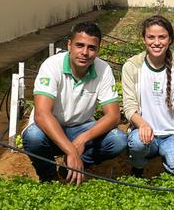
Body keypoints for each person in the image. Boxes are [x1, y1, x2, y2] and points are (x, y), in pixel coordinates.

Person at [22, 21, 126, 184]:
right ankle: (49, 179)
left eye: (91, 47)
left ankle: (71, 166)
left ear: (98, 50)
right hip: (51, 128)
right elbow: (42, 115)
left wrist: (81, 140)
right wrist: (71, 150)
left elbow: (113, 116)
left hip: (81, 128)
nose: (85, 52)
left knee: (117, 139)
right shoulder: (52, 65)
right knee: (33, 136)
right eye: (79, 45)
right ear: (69, 45)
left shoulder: (103, 69)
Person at [122, 15, 174, 176]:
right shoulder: (132, 67)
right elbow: (129, 106)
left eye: (162, 37)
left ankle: (168, 163)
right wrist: (143, 125)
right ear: (144, 39)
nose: (156, 42)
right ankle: (138, 167)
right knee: (137, 143)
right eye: (151, 37)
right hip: (145, 133)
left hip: (172, 134)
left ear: (170, 39)